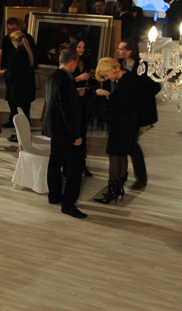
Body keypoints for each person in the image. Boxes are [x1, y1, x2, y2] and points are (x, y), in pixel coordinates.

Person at [43, 48, 87, 219]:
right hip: (65, 131)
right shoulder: (66, 81)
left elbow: (57, 100)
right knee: (76, 166)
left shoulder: (53, 76)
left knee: (55, 161)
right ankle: (68, 204)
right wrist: (76, 135)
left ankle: (54, 195)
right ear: (73, 62)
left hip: (54, 128)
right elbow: (67, 111)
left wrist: (74, 94)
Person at [116, 39, 161, 190]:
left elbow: (156, 87)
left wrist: (137, 99)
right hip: (124, 112)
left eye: (121, 49)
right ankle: (123, 174)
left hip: (138, 112)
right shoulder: (119, 64)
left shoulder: (143, 66)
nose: (118, 51)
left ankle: (141, 178)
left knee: (132, 144)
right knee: (126, 143)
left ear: (129, 51)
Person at [94, 57, 138, 204]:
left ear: (113, 69)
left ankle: (112, 191)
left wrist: (107, 95)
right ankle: (118, 188)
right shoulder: (124, 77)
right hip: (126, 121)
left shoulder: (124, 81)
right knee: (121, 154)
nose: (106, 78)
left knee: (113, 155)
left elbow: (122, 104)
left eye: (106, 75)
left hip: (122, 123)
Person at [0, 17, 37, 128]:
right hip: (14, 78)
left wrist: (5, 72)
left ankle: (20, 127)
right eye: (9, 29)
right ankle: (13, 121)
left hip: (19, 80)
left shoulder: (26, 40)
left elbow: (33, 58)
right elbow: (3, 55)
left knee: (20, 105)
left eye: (13, 29)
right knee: (13, 102)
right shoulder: (7, 40)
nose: (11, 32)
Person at [3, 30, 35, 143]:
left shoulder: (19, 54)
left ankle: (21, 137)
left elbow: (15, 74)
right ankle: (20, 135)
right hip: (26, 88)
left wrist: (4, 73)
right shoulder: (26, 50)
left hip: (19, 90)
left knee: (20, 114)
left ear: (16, 41)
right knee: (25, 113)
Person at [68, 37, 94, 177]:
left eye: (83, 47)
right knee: (74, 130)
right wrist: (78, 79)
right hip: (72, 99)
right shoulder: (69, 61)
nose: (81, 50)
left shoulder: (86, 61)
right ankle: (71, 163)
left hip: (84, 99)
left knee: (83, 131)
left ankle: (82, 163)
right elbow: (64, 82)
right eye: (79, 47)